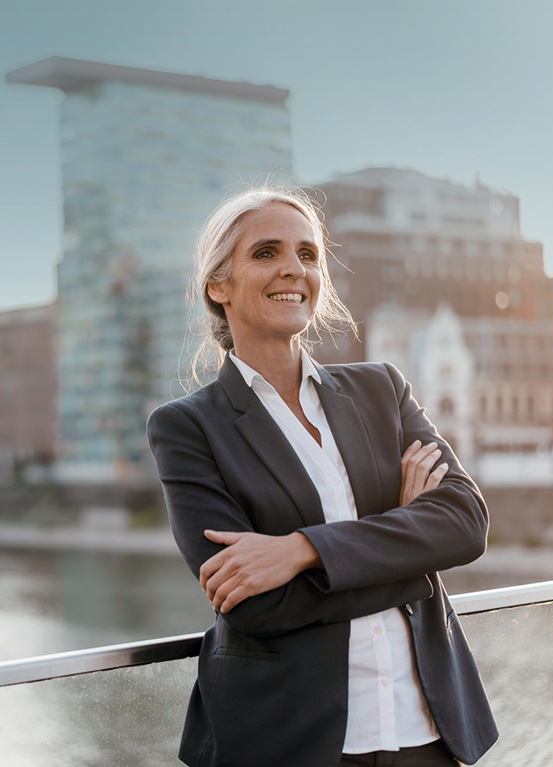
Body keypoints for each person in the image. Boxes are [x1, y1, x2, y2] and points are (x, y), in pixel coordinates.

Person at [147, 185, 498, 767]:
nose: (294, 268)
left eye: (308, 254)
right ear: (218, 285)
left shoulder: (382, 388)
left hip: (428, 731)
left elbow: (465, 523)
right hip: (293, 742)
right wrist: (409, 545)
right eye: (266, 253)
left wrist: (301, 551)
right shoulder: (187, 427)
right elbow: (253, 606)